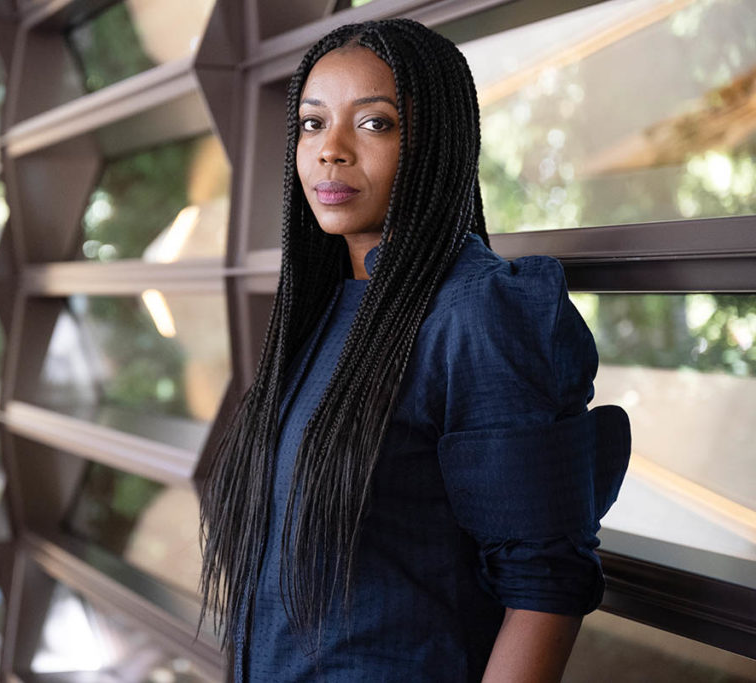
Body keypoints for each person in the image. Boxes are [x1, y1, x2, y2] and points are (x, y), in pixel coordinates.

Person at [198, 18, 631, 683]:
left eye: (374, 124)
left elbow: (546, 589)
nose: (331, 151)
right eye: (313, 124)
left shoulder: (479, 312)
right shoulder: (320, 310)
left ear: (436, 141)